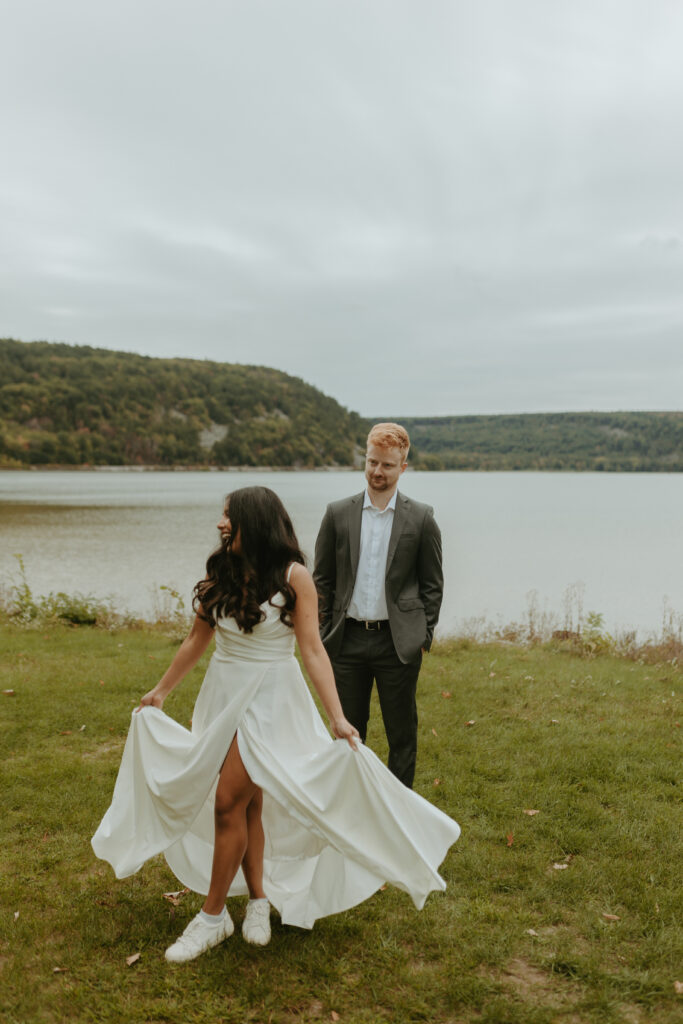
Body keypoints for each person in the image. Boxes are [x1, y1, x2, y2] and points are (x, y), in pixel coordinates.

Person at [92, 486, 459, 964]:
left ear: (254, 522)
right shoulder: (219, 570)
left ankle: (212, 916)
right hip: (223, 696)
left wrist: (337, 716)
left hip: (271, 699)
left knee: (228, 802)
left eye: (228, 517)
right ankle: (259, 900)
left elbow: (311, 649)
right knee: (247, 803)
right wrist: (161, 691)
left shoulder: (295, 577)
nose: (221, 524)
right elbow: (194, 641)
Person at [313, 423, 443, 788]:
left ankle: (398, 813)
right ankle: (349, 805)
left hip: (397, 645)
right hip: (346, 642)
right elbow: (321, 580)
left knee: (402, 734)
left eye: (386, 465)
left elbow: (432, 585)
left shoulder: (421, 518)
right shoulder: (338, 514)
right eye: (371, 462)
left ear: (403, 467)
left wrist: (423, 635)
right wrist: (324, 631)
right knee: (347, 734)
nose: (377, 472)